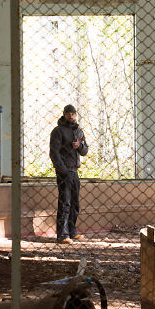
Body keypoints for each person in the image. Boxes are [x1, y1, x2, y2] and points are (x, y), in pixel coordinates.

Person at [49, 104, 89, 244]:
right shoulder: (58, 131)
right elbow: (54, 153)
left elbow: (85, 151)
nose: (70, 116)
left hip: (75, 171)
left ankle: (72, 232)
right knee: (65, 202)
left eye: (72, 113)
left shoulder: (79, 131)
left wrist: (80, 146)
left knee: (75, 203)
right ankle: (62, 235)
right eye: (68, 113)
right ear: (64, 114)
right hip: (64, 172)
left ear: (75, 114)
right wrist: (63, 171)